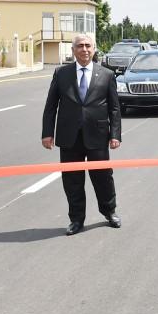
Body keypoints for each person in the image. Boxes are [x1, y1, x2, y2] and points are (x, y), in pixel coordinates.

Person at [41, 33, 122, 235]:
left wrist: (115, 134)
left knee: (103, 177)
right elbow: (51, 106)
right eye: (80, 46)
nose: (84, 49)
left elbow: (114, 108)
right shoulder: (61, 74)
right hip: (69, 137)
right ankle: (76, 220)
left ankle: (109, 211)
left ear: (94, 49)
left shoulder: (106, 74)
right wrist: (47, 133)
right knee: (72, 180)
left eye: (88, 46)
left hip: (98, 135)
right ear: (73, 50)